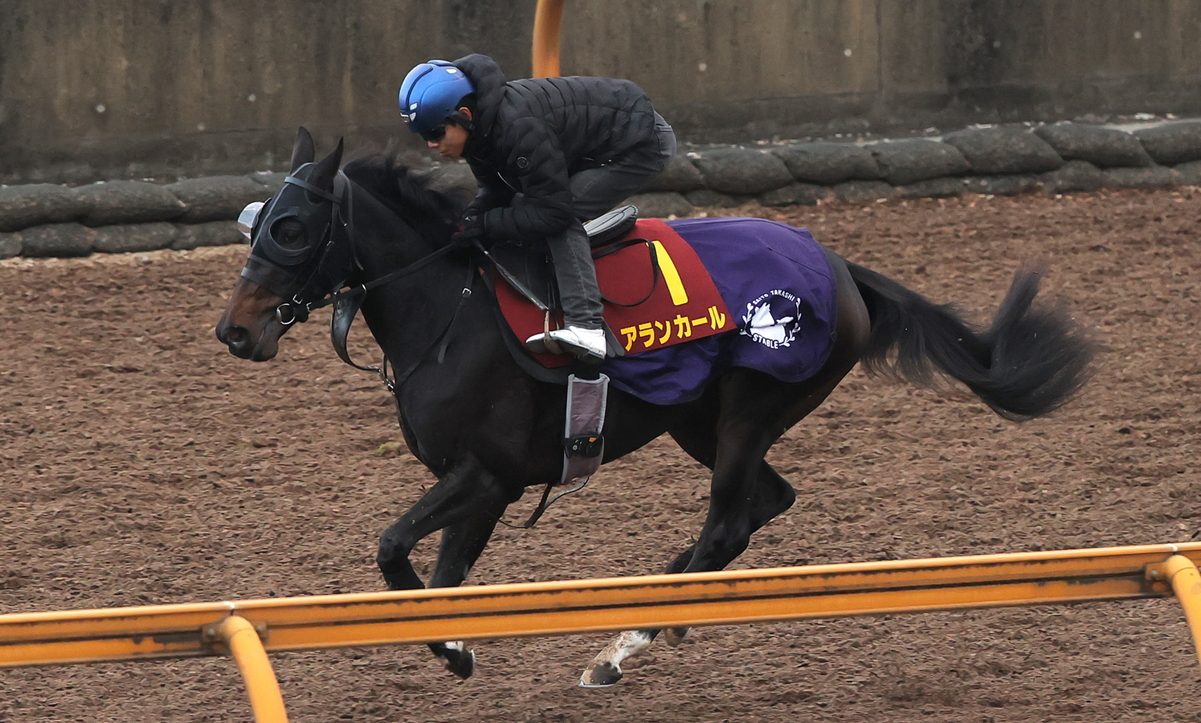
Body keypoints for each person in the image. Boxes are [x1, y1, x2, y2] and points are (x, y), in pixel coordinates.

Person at [398, 53, 676, 361]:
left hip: (639, 143)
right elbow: (496, 188)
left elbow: (553, 213)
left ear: (464, 114)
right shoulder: (481, 127)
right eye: (423, 136)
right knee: (522, 209)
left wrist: (487, 224)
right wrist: (471, 219)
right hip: (596, 138)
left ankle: (587, 327)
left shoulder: (517, 129)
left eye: (435, 133)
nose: (431, 145)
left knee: (561, 218)